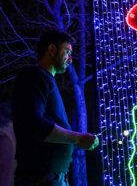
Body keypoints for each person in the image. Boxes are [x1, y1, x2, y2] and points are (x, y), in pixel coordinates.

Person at [12, 31, 99, 186]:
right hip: (41, 177)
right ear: (52, 49)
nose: (71, 59)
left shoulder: (45, 80)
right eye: (67, 52)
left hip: (52, 176)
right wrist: (77, 138)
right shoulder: (35, 76)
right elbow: (33, 124)